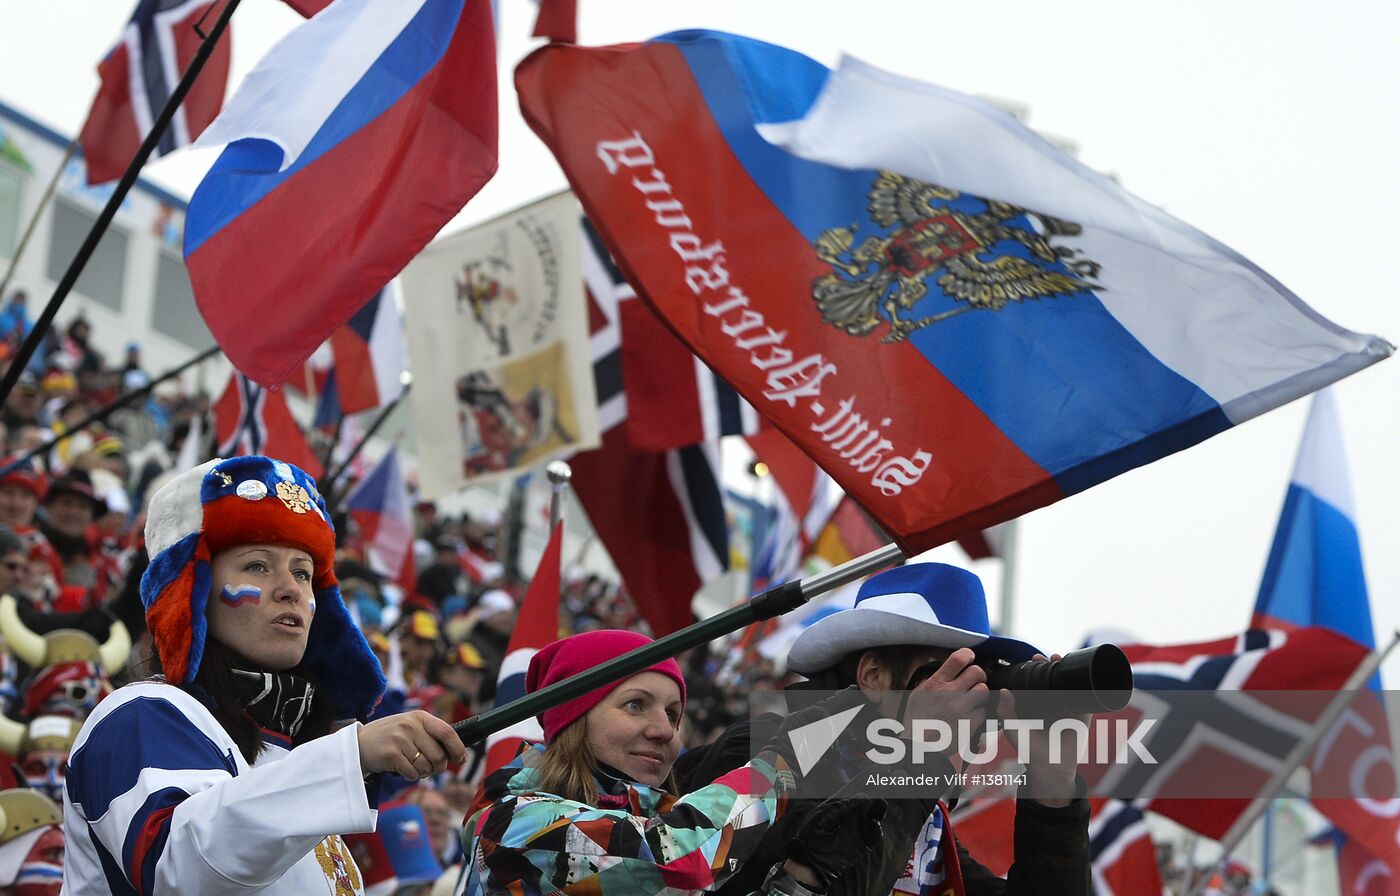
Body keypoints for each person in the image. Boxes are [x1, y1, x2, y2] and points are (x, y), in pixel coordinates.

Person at [61, 456, 468, 894]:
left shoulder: (294, 756)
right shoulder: (140, 713)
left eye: (303, 572)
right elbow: (177, 869)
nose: (291, 588)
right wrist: (351, 757)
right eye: (257, 565)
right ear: (193, 591)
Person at [675, 563, 1092, 896]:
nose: (969, 698)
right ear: (874, 676)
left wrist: (1052, 789)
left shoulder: (918, 820)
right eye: (947, 675)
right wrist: (920, 753)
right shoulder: (763, 750)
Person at [462, 629, 879, 896]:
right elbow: (680, 859)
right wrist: (784, 761)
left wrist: (798, 880)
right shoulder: (512, 824)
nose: (664, 730)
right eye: (636, 705)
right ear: (573, 720)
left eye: (673, 713)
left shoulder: (650, 819)